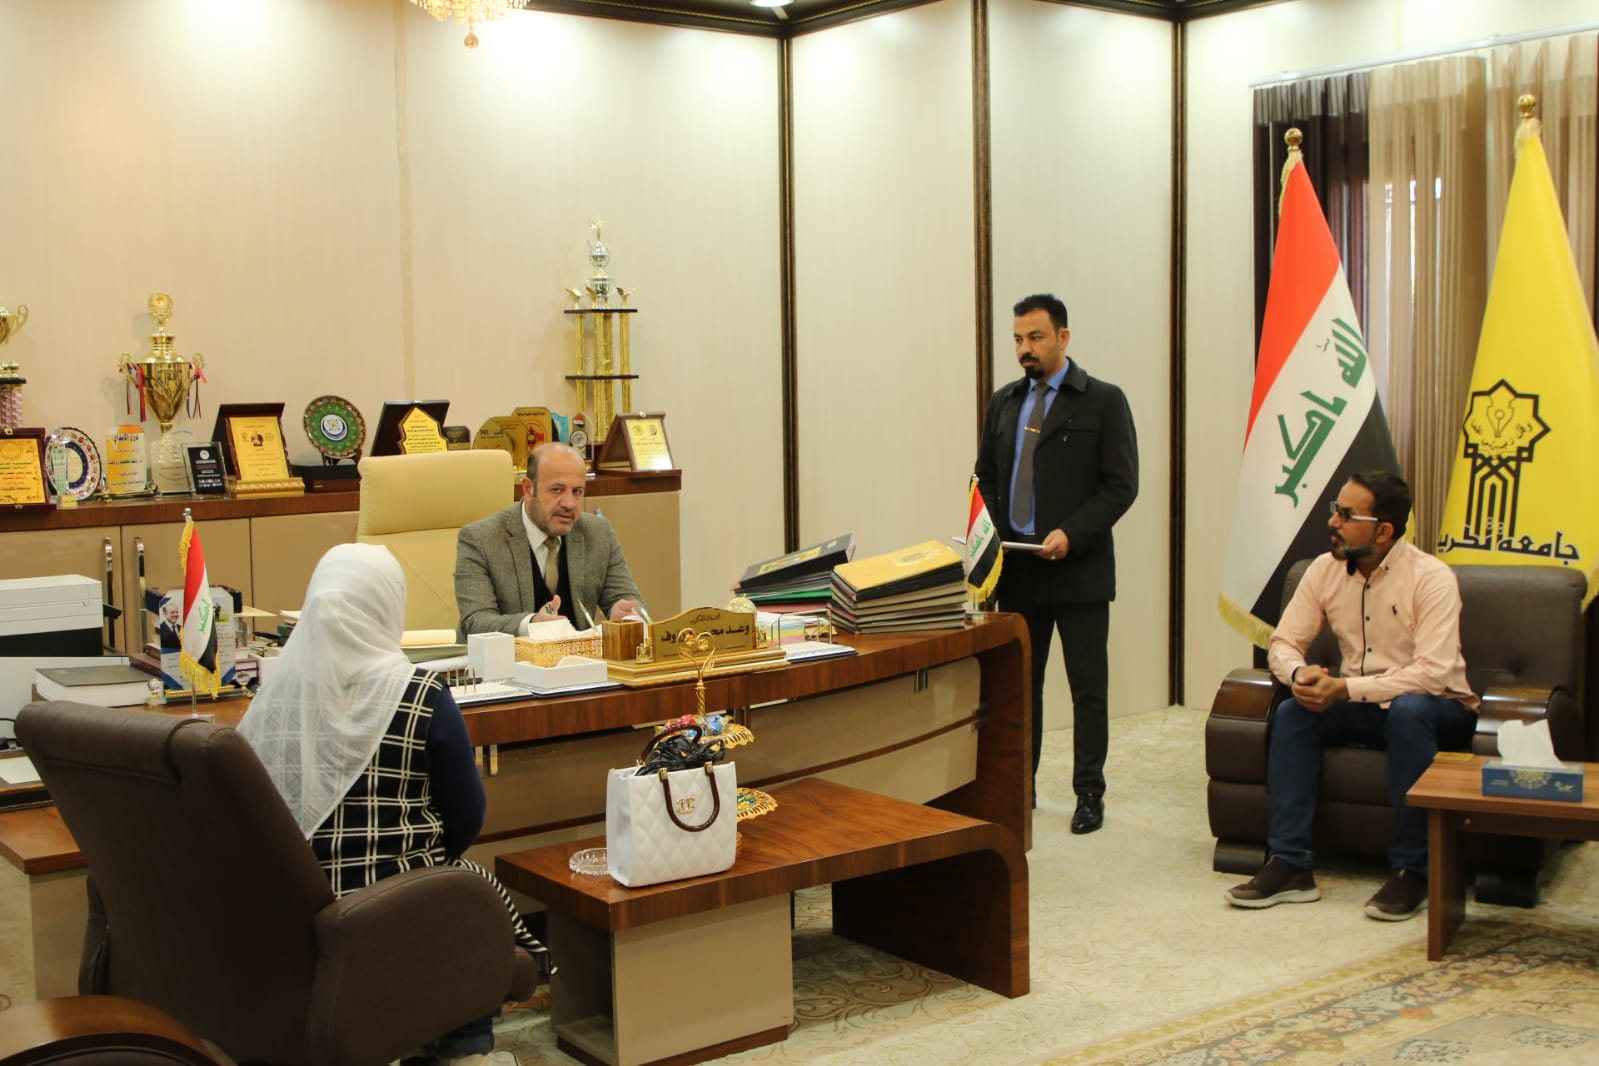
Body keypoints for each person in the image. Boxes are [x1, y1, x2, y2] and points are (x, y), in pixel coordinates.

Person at [239, 543, 548, 1064]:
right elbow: (466, 816)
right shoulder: (422, 693)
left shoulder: (271, 702)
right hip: (402, 902)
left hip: (293, 910)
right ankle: (465, 1051)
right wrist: (423, 859)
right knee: (469, 894)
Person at [1226, 471, 1478, 921]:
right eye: (1334, 511)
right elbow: (1283, 642)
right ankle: (1290, 863)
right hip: (1364, 704)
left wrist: (1344, 688)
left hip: (1440, 709)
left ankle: (1413, 872)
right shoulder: (1323, 570)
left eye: (1346, 515)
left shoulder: (1431, 577)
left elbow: (1432, 675)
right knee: (1294, 712)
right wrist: (1302, 675)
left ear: (1383, 530)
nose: (1333, 522)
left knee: (1408, 711)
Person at [973, 293, 1139, 833]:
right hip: (1019, 570)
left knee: (1087, 688)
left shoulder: (1103, 401)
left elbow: (1121, 486)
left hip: (1079, 571)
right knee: (1022, 687)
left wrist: (1072, 532)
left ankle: (1089, 793)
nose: (1025, 348)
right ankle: (1020, 788)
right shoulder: (1004, 403)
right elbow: (985, 477)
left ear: (1063, 337)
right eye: (1018, 339)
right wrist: (988, 531)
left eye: (1036, 337)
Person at [455, 441, 644, 638]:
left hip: (577, 656)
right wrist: (532, 624)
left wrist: (626, 615)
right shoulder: (481, 539)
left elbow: (628, 599)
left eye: (577, 492)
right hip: (506, 656)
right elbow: (475, 621)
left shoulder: (598, 532)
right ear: (528, 489)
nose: (569, 503)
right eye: (557, 490)